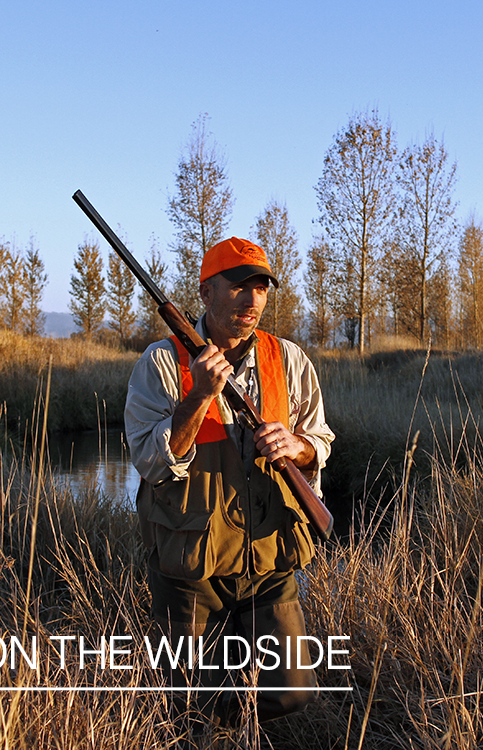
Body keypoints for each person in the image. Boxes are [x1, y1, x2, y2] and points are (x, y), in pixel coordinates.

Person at [124, 236, 335, 726]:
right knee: (189, 705)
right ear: (205, 292)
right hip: (190, 559)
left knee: (292, 692)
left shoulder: (289, 359)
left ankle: (235, 719)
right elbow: (152, 463)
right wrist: (198, 396)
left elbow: (319, 439)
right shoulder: (161, 362)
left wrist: (297, 447)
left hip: (269, 556)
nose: (251, 298)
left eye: (261, 287)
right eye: (238, 285)